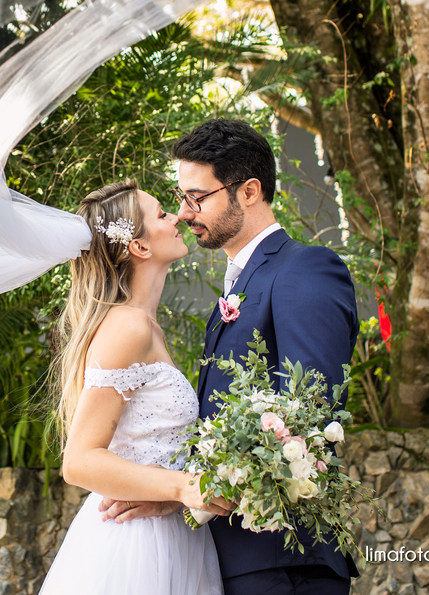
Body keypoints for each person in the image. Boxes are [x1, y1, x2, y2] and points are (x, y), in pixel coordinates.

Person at [101, 119, 360, 595]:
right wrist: (183, 499)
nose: (183, 212)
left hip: (285, 562)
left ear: (249, 191)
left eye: (196, 197)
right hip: (234, 559)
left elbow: (307, 419)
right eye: (180, 198)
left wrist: (187, 494)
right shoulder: (239, 286)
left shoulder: (304, 269)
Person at [39, 179, 228, 595]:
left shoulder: (146, 326)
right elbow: (79, 461)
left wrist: (179, 496)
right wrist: (184, 486)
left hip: (171, 529)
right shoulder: (128, 326)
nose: (178, 216)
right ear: (139, 248)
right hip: (137, 546)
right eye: (161, 214)